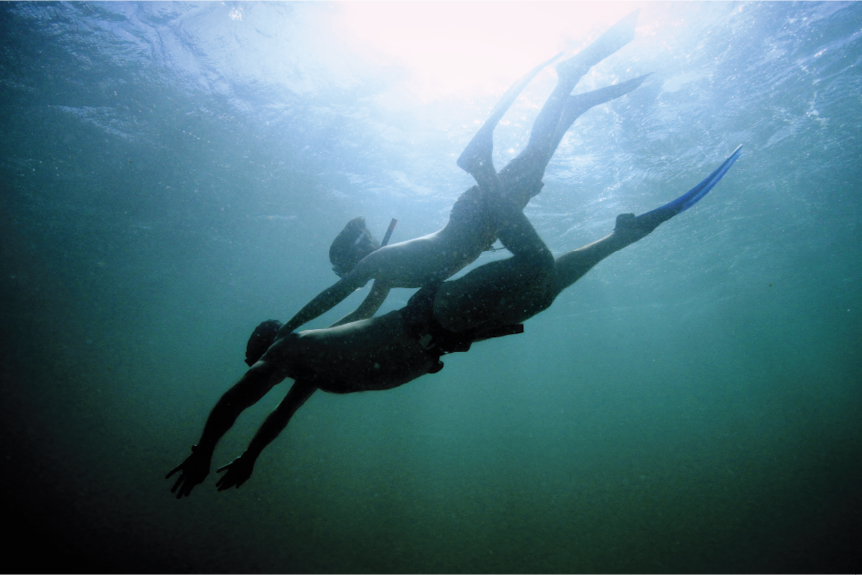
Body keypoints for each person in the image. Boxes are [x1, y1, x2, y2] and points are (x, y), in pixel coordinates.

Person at [166, 146, 742, 498]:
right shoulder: (309, 369)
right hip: (454, 332)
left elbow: (235, 403)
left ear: (270, 347)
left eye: (257, 360)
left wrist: (203, 449)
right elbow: (272, 418)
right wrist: (250, 456)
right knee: (545, 291)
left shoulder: (293, 349)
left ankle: (486, 179)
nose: (260, 373)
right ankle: (624, 234)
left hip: (437, 317)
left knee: (537, 268)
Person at [276, 10, 648, 336]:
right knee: (537, 161)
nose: (345, 278)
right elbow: (363, 315)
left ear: (353, 258)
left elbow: (331, 298)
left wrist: (287, 334)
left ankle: (566, 80)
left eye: (343, 269)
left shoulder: (375, 264)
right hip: (484, 222)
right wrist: (312, 341)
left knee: (535, 157)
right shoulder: (384, 274)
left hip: (480, 213)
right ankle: (567, 109)